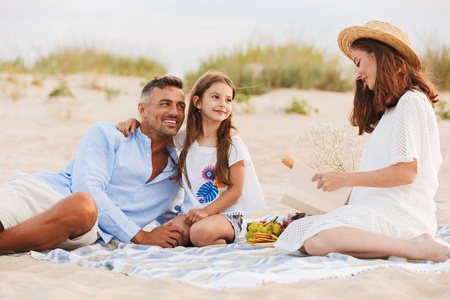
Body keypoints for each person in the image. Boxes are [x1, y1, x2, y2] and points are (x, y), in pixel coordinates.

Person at [274, 20, 450, 262]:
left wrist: (346, 179)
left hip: (402, 214)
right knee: (303, 233)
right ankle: (408, 245)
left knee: (318, 240)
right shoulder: (393, 111)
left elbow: (406, 173)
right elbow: (384, 180)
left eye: (358, 63)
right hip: (382, 210)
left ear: (382, 58)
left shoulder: (411, 101)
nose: (357, 75)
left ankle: (415, 247)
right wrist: (341, 191)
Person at [0, 75, 186, 253]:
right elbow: (88, 188)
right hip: (45, 193)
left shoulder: (175, 176)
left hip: (83, 230)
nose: (175, 112)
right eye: (165, 104)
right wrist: (141, 236)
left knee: (84, 210)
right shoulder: (110, 134)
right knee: (84, 204)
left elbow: (177, 219)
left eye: (180, 106)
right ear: (142, 110)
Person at [118, 71, 266, 247]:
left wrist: (206, 212)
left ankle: (217, 243)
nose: (222, 104)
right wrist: (135, 121)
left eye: (228, 100)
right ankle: (199, 239)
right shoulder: (186, 137)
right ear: (198, 102)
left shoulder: (232, 144)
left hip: (225, 217)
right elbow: (156, 134)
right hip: (190, 214)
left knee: (200, 233)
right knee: (170, 233)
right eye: (215, 97)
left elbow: (236, 189)